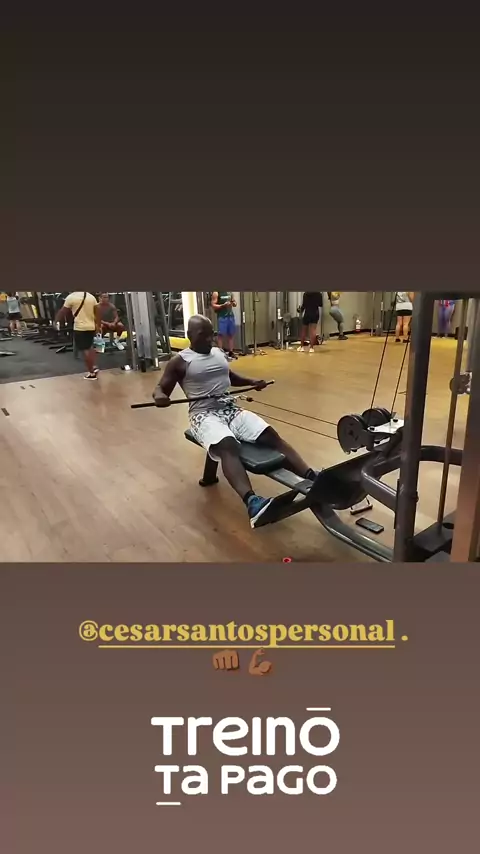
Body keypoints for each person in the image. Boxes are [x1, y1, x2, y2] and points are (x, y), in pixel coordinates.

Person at [153, 315, 319, 528]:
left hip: (230, 409)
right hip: (203, 415)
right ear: (189, 335)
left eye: (211, 334)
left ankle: (311, 476)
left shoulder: (217, 352)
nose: (209, 339)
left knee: (271, 436)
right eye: (203, 335)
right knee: (228, 445)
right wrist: (160, 396)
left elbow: (229, 376)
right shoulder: (180, 361)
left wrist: (252, 382)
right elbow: (161, 388)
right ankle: (253, 503)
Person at [56, 291, 100, 380]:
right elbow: (97, 313)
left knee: (85, 350)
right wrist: (98, 326)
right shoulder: (91, 297)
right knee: (90, 347)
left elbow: (63, 311)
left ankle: (91, 373)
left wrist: (56, 321)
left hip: (80, 328)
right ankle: (94, 366)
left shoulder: (71, 297)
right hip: (91, 326)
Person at [211, 291, 237, 359]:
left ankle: (231, 352)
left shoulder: (230, 292)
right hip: (222, 316)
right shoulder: (216, 293)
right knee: (221, 335)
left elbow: (234, 303)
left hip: (230, 316)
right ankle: (220, 352)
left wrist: (234, 303)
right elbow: (213, 305)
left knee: (231, 334)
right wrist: (223, 305)